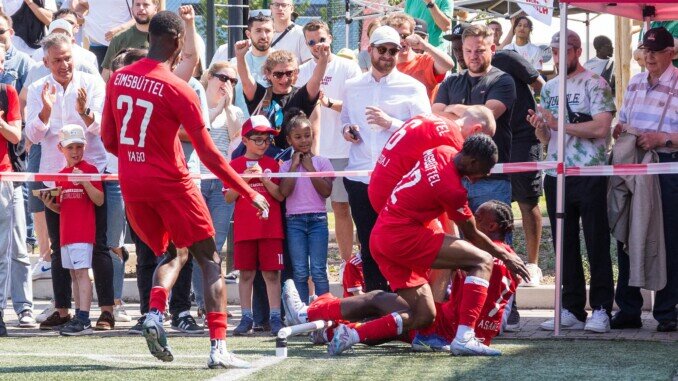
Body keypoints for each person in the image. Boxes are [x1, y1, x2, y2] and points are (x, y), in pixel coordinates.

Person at [101, 10, 268, 368]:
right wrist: (249, 190)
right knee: (210, 259)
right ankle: (218, 349)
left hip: (132, 183)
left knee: (175, 252)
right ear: (177, 42)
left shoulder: (118, 78)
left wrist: (139, 158)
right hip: (171, 182)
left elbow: (109, 140)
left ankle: (155, 314)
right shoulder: (179, 89)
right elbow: (209, 154)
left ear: (151, 39)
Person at [285, 135, 528, 356]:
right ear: (473, 161)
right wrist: (504, 256)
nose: (482, 178)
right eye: (484, 171)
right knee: (481, 260)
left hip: (385, 231)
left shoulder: (440, 150)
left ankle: (319, 319)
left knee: (419, 313)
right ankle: (465, 337)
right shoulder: (453, 190)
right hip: (402, 235)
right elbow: (471, 234)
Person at [527, 29, 615, 333]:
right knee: (565, 243)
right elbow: (548, 135)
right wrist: (541, 128)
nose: (557, 57)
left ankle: (602, 308)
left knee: (596, 240)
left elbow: (602, 128)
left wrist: (559, 124)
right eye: (553, 51)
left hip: (589, 171)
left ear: (576, 51)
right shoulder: (549, 88)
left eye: (562, 51)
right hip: (557, 173)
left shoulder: (596, 83)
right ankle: (571, 307)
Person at [25, 32, 115, 331]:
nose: (63, 65)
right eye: (57, 60)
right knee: (57, 245)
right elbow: (32, 136)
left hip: (92, 172)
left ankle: (106, 310)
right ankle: (62, 309)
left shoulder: (91, 84)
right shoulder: (38, 88)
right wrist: (46, 112)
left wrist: (84, 114)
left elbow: (104, 129)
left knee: (99, 245)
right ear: (45, 61)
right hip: (55, 176)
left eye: (67, 58)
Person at [341, 25, 431, 292]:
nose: (388, 56)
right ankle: (376, 303)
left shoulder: (412, 87)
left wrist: (390, 122)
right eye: (383, 50)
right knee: (369, 243)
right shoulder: (352, 86)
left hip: (397, 178)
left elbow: (425, 129)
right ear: (370, 50)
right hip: (359, 175)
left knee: (398, 242)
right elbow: (345, 118)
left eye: (394, 50)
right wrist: (347, 131)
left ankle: (405, 301)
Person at [610, 27, 678, 333]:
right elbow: (624, 118)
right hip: (633, 165)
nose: (649, 56)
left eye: (655, 51)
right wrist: (620, 129)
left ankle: (667, 311)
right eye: (646, 50)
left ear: (671, 53)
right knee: (625, 233)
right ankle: (628, 308)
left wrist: (662, 138)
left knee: (668, 238)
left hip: (666, 167)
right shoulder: (635, 82)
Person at [295, 20, 361, 267]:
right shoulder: (301, 71)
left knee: (343, 208)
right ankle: (313, 267)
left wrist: (329, 103)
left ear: (330, 39)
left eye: (321, 40)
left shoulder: (348, 67)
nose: (317, 46)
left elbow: (357, 105)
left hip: (344, 150)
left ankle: (348, 262)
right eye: (311, 42)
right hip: (312, 153)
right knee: (312, 212)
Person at [433, 24, 516, 214]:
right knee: (459, 243)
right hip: (454, 177)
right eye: (468, 50)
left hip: (491, 178)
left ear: (492, 49)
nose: (472, 56)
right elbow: (436, 116)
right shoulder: (451, 81)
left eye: (479, 50)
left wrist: (453, 108)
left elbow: (485, 118)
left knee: (494, 241)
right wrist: (468, 112)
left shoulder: (502, 81)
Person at [188, 60, 244, 320]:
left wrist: (228, 106)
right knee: (198, 242)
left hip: (221, 182)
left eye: (232, 81)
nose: (226, 84)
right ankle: (201, 300)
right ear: (209, 77)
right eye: (222, 78)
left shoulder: (234, 112)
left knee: (214, 245)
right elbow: (202, 131)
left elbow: (236, 139)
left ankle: (209, 301)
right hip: (197, 179)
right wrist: (217, 106)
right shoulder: (196, 105)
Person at [39, 124, 103, 336]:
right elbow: (61, 207)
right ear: (61, 148)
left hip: (82, 233)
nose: (75, 152)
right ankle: (79, 315)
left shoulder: (91, 170)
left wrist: (85, 182)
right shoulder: (61, 174)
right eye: (70, 147)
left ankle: (84, 318)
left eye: (79, 146)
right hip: (67, 234)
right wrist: (49, 204)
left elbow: (99, 200)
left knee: (82, 273)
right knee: (75, 275)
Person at [368, 108, 495, 213]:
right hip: (393, 200)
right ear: (476, 130)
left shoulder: (428, 117)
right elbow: (449, 198)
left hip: (378, 188)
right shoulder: (454, 142)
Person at [225, 115, 285, 336]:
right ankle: (246, 317)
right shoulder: (234, 165)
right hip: (245, 229)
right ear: (245, 140)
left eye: (267, 140)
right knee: (246, 274)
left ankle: (275, 317)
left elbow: (279, 196)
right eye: (258, 139)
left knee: (271, 274)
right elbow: (228, 197)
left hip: (271, 229)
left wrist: (265, 179)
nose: (263, 144)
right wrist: (246, 180)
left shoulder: (273, 164)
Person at [234, 36, 327, 157]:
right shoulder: (261, 96)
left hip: (294, 162)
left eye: (289, 73)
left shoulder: (301, 95)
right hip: (264, 161)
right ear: (268, 74)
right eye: (278, 74)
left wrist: (323, 59)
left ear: (296, 73)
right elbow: (246, 80)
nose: (284, 79)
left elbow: (316, 80)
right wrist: (240, 56)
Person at [279, 110, 333, 304]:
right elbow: (284, 192)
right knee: (300, 271)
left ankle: (326, 310)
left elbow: (326, 191)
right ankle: (302, 313)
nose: (303, 141)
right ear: (289, 140)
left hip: (318, 220)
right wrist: (294, 167)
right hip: (295, 221)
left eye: (307, 136)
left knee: (318, 269)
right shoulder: (285, 166)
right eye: (298, 137)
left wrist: (310, 168)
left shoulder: (322, 162)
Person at [0, 69, 30, 336]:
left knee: (7, 249)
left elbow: (16, 136)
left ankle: (8, 311)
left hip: (4, 178)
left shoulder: (7, 92)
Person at [383, 13, 454, 101]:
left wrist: (425, 45)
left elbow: (449, 65)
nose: (401, 41)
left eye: (404, 36)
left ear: (412, 34)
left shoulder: (425, 61)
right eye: (396, 36)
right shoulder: (385, 65)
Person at [228, 12, 274, 120]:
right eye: (258, 31)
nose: (263, 36)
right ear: (248, 34)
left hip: (272, 127)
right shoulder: (235, 63)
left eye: (267, 31)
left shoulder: (283, 64)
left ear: (274, 32)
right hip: (241, 127)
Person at [101, 0, 159, 82]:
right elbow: (106, 72)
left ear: (155, 8)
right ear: (132, 9)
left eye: (146, 4)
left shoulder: (163, 38)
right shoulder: (119, 38)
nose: (141, 8)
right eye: (137, 5)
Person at [75, 0, 134, 71]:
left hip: (121, 44)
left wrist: (120, 29)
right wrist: (77, 15)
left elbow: (139, 16)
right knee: (99, 80)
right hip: (96, 43)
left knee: (121, 78)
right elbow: (84, 4)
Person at [31, 12, 98, 70]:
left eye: (64, 36)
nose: (59, 40)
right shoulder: (37, 54)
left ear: (72, 41)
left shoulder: (89, 57)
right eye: (55, 36)